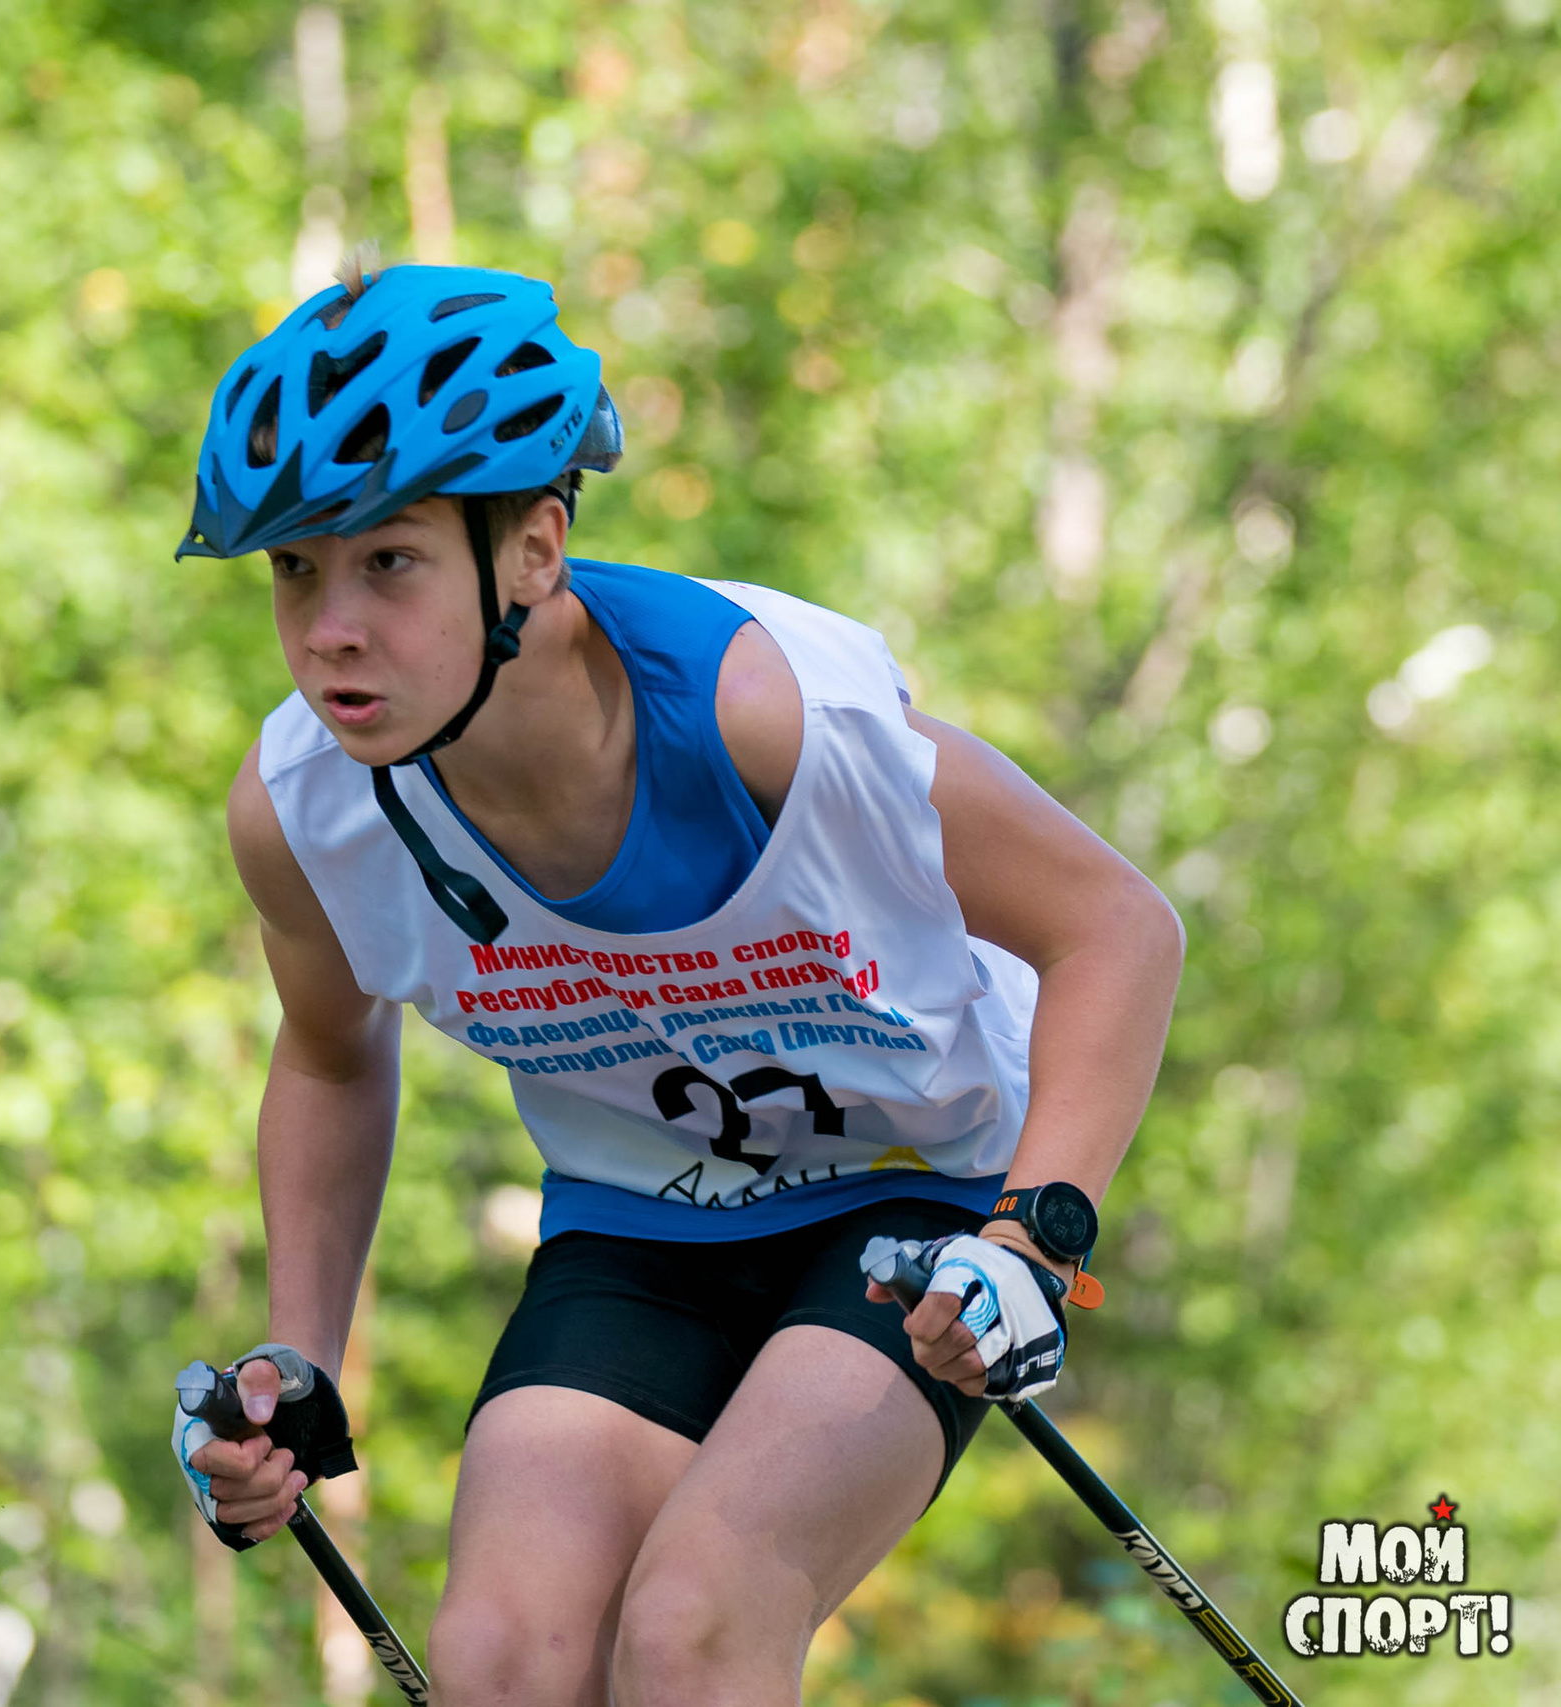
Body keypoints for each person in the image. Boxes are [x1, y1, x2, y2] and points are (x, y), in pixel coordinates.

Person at [167, 260, 1184, 1706]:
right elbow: (330, 1054)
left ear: (533, 549)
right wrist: (298, 1355)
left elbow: (1118, 929)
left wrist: (1035, 1241)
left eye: (387, 563)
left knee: (697, 1623)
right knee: (504, 1661)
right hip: (644, 1217)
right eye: (294, 570)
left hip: (926, 1193)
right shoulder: (306, 811)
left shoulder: (765, 717)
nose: (330, 626)